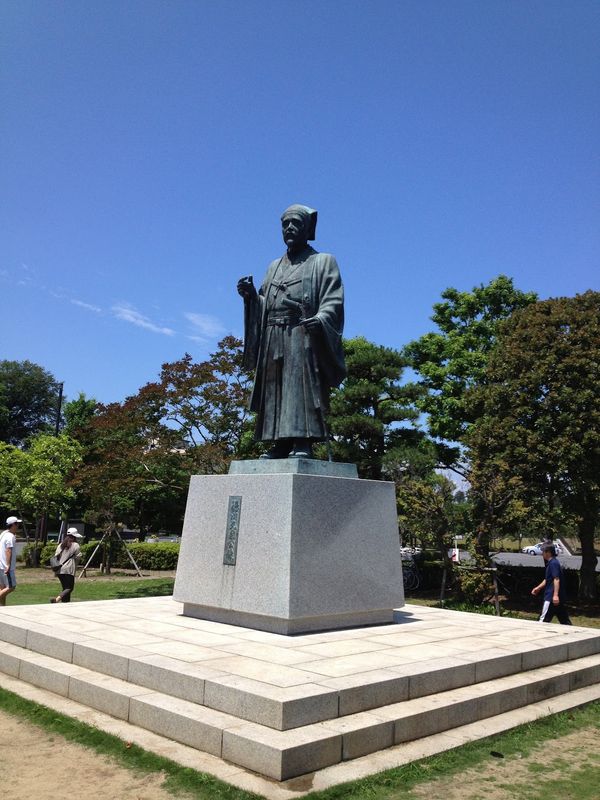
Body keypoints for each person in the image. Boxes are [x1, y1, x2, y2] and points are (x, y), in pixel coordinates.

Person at [237, 204, 346, 459]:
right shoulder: (274, 265)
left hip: (301, 331)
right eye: (285, 224)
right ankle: (279, 443)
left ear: (307, 229)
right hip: (273, 334)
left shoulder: (322, 261)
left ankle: (302, 442)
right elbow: (265, 300)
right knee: (274, 390)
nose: (289, 228)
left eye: (295, 223)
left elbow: (333, 300)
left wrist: (320, 319)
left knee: (299, 387)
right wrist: (252, 297)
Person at [531, 544, 572, 624]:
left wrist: (555, 595)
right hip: (557, 599)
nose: (542, 554)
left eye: (543, 552)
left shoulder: (553, 563)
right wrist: (538, 588)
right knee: (565, 622)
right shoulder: (552, 563)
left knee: (542, 621)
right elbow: (548, 579)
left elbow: (556, 579)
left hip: (551, 598)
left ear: (548, 552)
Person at [50, 527, 83, 603]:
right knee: (69, 588)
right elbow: (78, 557)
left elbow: (56, 555)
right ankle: (57, 599)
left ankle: (65, 604)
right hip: (68, 569)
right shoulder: (75, 545)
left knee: (65, 588)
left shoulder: (60, 545)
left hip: (59, 569)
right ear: (74, 537)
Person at [0, 516, 20, 606]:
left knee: (2, 587)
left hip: (1, 565)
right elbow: (8, 550)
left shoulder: (4, 533)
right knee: (11, 586)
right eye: (17, 524)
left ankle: (2, 608)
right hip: (6, 567)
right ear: (13, 525)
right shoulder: (10, 536)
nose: (18, 526)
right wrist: (8, 565)